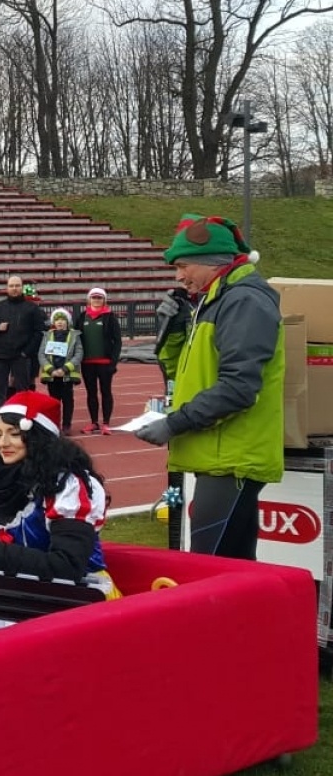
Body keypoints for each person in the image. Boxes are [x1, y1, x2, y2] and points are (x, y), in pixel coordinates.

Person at [132, 215, 285, 561]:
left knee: (210, 570)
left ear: (211, 262)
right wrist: (170, 331)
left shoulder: (242, 301)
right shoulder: (215, 301)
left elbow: (238, 387)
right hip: (219, 455)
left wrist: (174, 424)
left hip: (230, 458)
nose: (178, 276)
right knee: (233, 570)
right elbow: (183, 378)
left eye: (183, 265)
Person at [0, 392, 121, 633]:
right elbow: (1, 547)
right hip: (14, 597)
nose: (2, 443)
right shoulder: (1, 478)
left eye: (15, 434)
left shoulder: (67, 486)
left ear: (38, 438)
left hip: (73, 601)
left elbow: (68, 565)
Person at [0, 276, 46, 410]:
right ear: (7, 288)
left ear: (22, 287)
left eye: (17, 285)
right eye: (11, 286)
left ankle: (22, 418)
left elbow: (39, 332)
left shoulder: (32, 308)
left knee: (23, 390)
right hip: (0, 355)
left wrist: (26, 352)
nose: (14, 288)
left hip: (21, 356)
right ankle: (0, 419)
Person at [75, 288, 122, 435]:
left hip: (105, 363)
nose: (96, 300)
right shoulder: (82, 317)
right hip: (87, 363)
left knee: (106, 392)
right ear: (89, 299)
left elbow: (118, 342)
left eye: (99, 297)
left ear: (104, 300)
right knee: (91, 393)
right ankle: (94, 422)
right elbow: (75, 338)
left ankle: (106, 423)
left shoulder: (110, 317)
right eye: (94, 297)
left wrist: (113, 363)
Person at [38, 308, 82, 434]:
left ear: (67, 322)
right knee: (53, 401)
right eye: (57, 320)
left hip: (66, 374)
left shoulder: (74, 336)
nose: (60, 322)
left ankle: (67, 425)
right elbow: (41, 354)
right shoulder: (47, 335)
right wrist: (50, 369)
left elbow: (79, 353)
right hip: (52, 375)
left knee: (68, 401)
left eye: (63, 319)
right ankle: (54, 424)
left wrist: (65, 368)